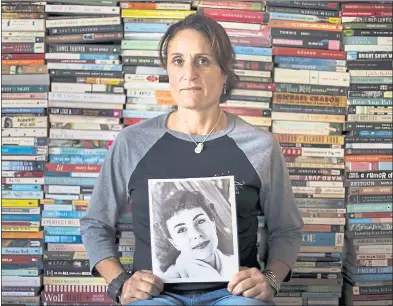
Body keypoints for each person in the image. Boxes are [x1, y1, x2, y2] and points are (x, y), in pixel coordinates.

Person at [80, 13, 303, 306]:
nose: (189, 73)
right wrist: (120, 283)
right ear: (168, 72)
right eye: (178, 61)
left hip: (234, 295)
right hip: (156, 296)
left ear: (225, 73)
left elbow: (287, 229)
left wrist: (271, 280)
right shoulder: (131, 142)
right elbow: (95, 223)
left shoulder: (260, 146)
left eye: (203, 60)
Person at [153, 189, 236, 280]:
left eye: (200, 221)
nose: (196, 234)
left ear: (213, 225)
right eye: (181, 230)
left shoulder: (234, 263)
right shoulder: (168, 279)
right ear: (174, 243)